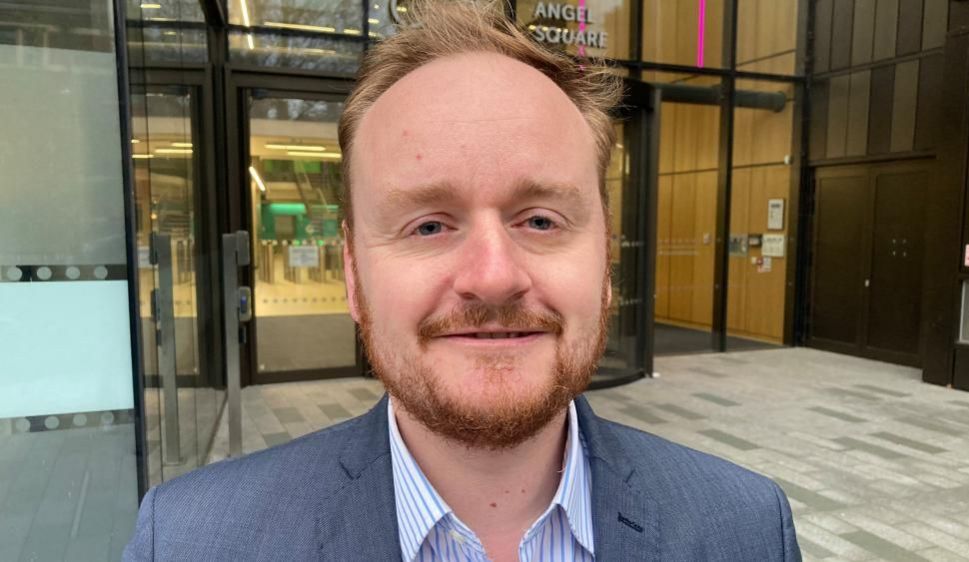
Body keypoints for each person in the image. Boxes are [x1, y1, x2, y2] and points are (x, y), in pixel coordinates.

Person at [124, 1, 801, 560]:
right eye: (427, 225)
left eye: (539, 220)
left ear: (605, 267)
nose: (492, 277)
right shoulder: (190, 542)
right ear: (353, 277)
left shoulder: (743, 530)